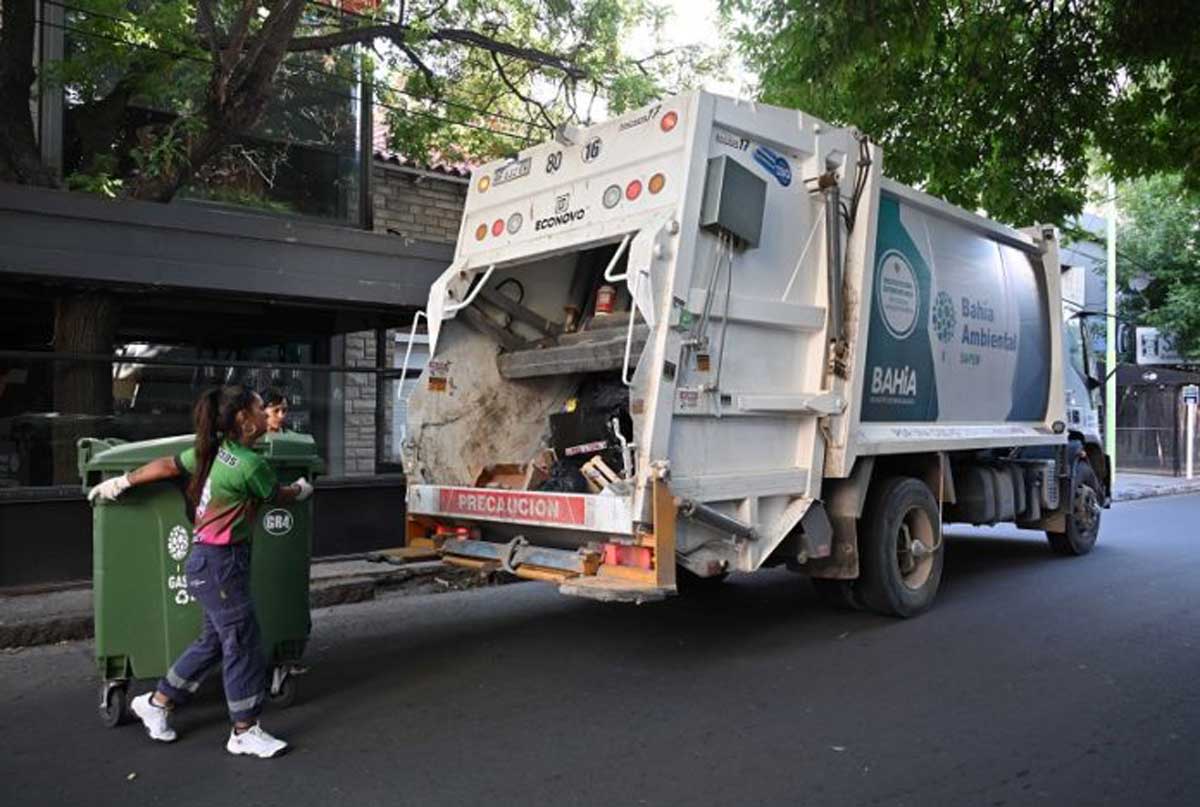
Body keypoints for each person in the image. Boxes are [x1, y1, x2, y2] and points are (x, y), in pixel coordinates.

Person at [88, 385, 313, 759]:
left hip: (207, 561)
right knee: (241, 639)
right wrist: (301, 489)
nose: (266, 415)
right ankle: (244, 730)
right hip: (222, 564)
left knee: (213, 641)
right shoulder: (249, 464)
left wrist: (123, 481)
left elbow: (165, 466)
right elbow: (275, 495)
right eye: (261, 409)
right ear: (244, 419)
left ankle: (158, 702)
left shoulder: (213, 453)